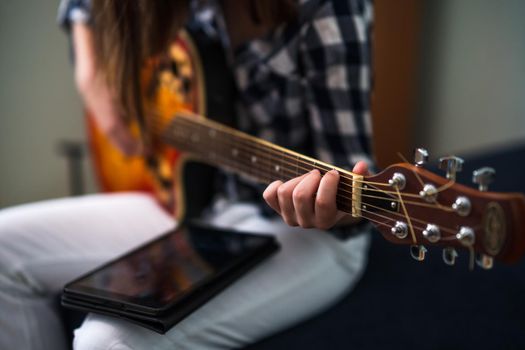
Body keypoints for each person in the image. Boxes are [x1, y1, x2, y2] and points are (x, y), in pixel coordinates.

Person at [0, 0, 374, 348]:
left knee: (107, 342)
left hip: (301, 232)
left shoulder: (326, 7)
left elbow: (347, 182)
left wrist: (338, 206)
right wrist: (91, 76)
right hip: (191, 199)